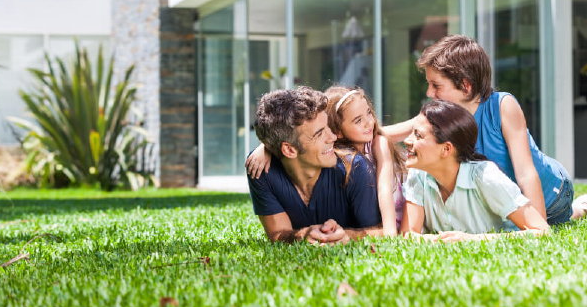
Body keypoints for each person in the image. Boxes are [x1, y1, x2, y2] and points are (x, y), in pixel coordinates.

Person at [385, 34, 587, 225]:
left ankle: (580, 206)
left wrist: (538, 224)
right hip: (508, 201)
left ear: (465, 86)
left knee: (565, 216)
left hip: (551, 192)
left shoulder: (502, 106)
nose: (429, 93)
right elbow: (392, 133)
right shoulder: (440, 115)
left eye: (436, 85)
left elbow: (526, 173)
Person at [247, 85, 406, 236]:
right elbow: (277, 235)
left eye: (328, 127)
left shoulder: (361, 160)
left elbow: (382, 223)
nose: (333, 137)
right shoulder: (260, 167)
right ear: (288, 149)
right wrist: (266, 146)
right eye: (319, 133)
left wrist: (384, 233)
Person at [401, 100, 550, 242]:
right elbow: (408, 235)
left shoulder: (486, 177)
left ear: (446, 149)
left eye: (418, 135)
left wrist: (472, 239)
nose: (407, 140)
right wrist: (432, 240)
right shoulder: (418, 174)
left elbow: (542, 231)